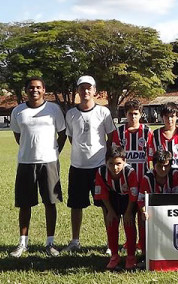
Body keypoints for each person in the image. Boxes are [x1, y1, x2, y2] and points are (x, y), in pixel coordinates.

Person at [9, 77, 67, 257]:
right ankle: (22, 243)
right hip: (26, 163)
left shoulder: (53, 109)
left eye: (38, 87)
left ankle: (50, 243)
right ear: (26, 90)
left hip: (49, 162)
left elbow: (63, 134)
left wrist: (54, 151)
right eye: (31, 88)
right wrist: (29, 150)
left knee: (50, 202)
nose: (34, 90)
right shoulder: (18, 111)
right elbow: (18, 135)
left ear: (44, 90)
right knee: (25, 204)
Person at [63, 75, 117, 253]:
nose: (85, 91)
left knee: (105, 205)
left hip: (99, 167)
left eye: (89, 88)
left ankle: (110, 243)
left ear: (95, 91)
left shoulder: (103, 112)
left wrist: (104, 158)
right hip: (77, 166)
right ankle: (75, 240)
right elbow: (71, 137)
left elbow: (111, 137)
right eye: (82, 88)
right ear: (77, 91)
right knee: (76, 205)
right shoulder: (71, 114)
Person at [112, 99, 153, 255]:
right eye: (130, 114)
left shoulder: (147, 132)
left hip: (143, 180)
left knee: (142, 216)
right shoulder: (120, 132)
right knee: (127, 215)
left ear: (140, 114)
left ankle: (142, 243)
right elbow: (116, 156)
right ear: (126, 114)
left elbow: (150, 156)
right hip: (126, 181)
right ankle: (130, 242)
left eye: (136, 114)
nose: (133, 117)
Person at [93, 145, 138, 270]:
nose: (115, 167)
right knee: (111, 225)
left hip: (128, 200)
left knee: (129, 226)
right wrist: (110, 211)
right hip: (112, 199)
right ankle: (114, 256)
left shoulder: (129, 172)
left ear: (124, 161)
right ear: (106, 162)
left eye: (118, 163)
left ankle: (130, 256)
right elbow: (102, 192)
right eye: (111, 163)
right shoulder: (101, 172)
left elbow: (133, 194)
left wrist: (128, 212)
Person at [148, 102, 178, 170]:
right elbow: (151, 157)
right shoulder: (155, 134)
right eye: (166, 116)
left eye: (172, 116)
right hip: (161, 174)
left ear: (177, 117)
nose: (169, 119)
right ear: (162, 117)